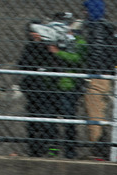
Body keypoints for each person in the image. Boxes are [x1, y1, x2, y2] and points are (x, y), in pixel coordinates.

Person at [17, 16, 86, 159]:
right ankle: (43, 149)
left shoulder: (74, 43)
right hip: (43, 88)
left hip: (66, 86)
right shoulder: (37, 45)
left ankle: (69, 152)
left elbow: (76, 59)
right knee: (44, 120)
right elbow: (23, 63)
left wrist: (57, 52)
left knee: (68, 121)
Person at [81, 0, 117, 160]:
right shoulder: (109, 27)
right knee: (99, 112)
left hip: (97, 76)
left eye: (87, 10)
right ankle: (102, 147)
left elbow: (96, 53)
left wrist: (91, 70)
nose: (84, 13)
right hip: (105, 76)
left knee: (94, 112)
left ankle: (98, 149)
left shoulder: (97, 27)